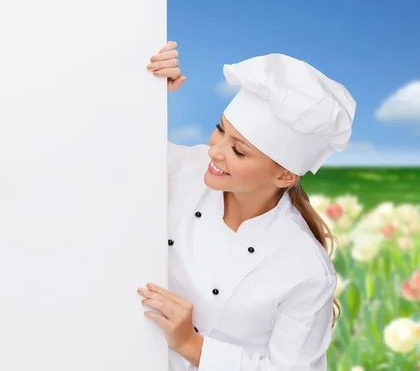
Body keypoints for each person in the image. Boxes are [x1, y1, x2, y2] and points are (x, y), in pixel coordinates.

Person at [137, 41, 356, 371]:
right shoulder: (184, 169)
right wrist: (147, 90)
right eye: (220, 130)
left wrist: (191, 344)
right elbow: (110, 154)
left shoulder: (305, 269)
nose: (215, 151)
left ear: (284, 174)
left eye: (238, 150)